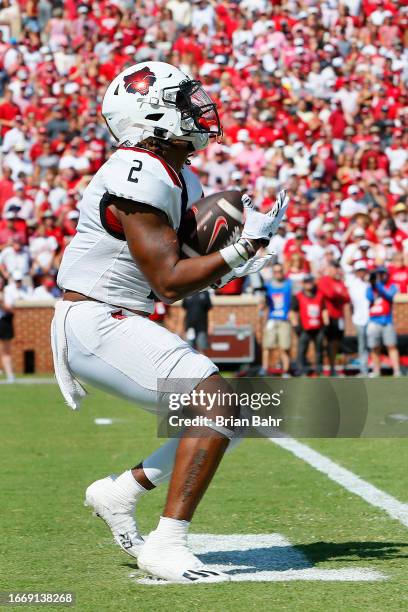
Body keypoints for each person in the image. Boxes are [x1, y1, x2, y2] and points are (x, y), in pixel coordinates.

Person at [51, 61, 288, 584]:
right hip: (94, 319)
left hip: (117, 315)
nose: (199, 109)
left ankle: (122, 491)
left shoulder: (181, 174)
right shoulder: (134, 172)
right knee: (217, 402)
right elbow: (169, 280)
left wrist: (239, 260)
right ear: (152, 114)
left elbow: (184, 270)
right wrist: (244, 247)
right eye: (185, 100)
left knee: (234, 414)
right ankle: (166, 545)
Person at [290, 275, 328, 376]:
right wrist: (295, 325)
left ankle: (319, 371)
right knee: (302, 350)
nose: (309, 284)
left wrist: (326, 324)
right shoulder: (298, 296)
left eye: (310, 281)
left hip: (318, 327)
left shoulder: (320, 295)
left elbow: (324, 309)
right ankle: (302, 371)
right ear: (303, 283)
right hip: (304, 328)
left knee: (319, 350)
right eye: (306, 282)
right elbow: (293, 312)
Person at [366, 266, 401, 377]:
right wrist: (373, 285)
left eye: (383, 273)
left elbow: (389, 296)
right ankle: (377, 370)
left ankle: (397, 371)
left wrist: (379, 285)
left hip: (387, 320)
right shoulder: (371, 287)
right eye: (379, 274)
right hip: (373, 321)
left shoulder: (392, 286)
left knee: (391, 345)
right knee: (374, 347)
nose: (381, 276)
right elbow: (369, 298)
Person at [318, 262, 350, 376]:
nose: (335, 271)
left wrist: (339, 294)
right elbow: (329, 294)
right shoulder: (324, 280)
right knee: (329, 342)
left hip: (339, 316)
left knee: (337, 342)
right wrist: (339, 293)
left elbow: (347, 297)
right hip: (328, 316)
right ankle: (327, 367)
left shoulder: (340, 282)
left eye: (337, 269)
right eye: (333, 269)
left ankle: (334, 367)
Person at [262, 263, 292, 376]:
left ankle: (286, 370)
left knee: (285, 346)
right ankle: (265, 369)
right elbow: (264, 303)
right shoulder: (268, 285)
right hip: (271, 319)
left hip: (284, 319)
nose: (278, 273)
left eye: (280, 271)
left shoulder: (289, 284)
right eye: (275, 271)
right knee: (267, 346)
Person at [346, 261, 370, 376]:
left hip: (371, 318)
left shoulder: (369, 284)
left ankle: (374, 368)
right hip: (359, 319)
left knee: (373, 344)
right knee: (362, 345)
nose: (361, 273)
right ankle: (364, 370)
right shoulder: (352, 285)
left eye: (363, 270)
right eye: (359, 271)